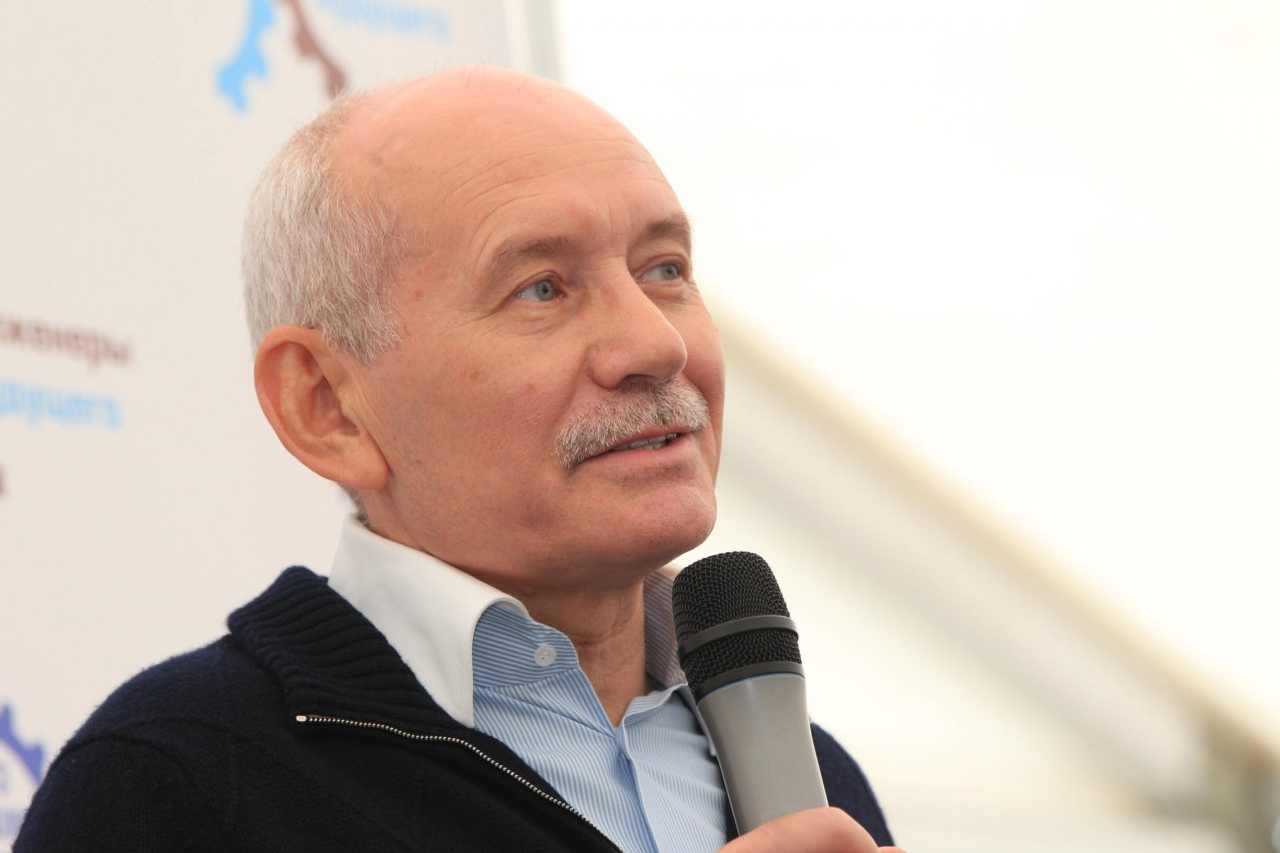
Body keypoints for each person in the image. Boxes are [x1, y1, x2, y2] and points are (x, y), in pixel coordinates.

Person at [16, 67, 903, 852]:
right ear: (327, 405)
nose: (655, 343)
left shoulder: (820, 785)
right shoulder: (175, 781)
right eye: (541, 288)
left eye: (664, 269)